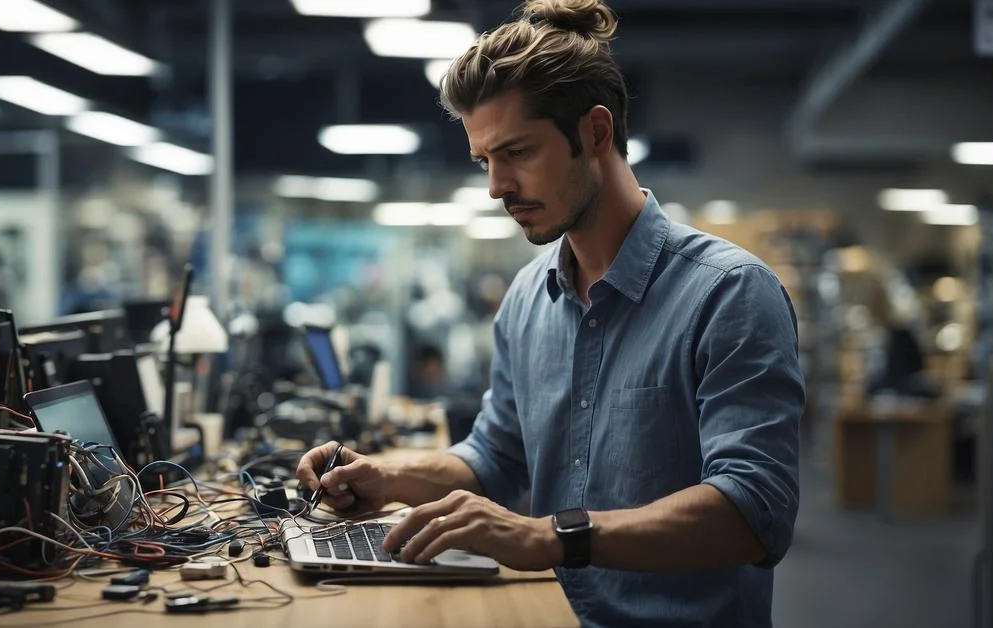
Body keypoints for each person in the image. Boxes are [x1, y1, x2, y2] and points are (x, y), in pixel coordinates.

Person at [296, 0, 803, 626]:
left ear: (594, 133)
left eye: (517, 153)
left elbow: (755, 511)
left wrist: (552, 536)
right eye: (486, 160)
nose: (496, 186)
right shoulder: (528, 298)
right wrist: (388, 477)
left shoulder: (729, 294)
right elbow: (497, 458)